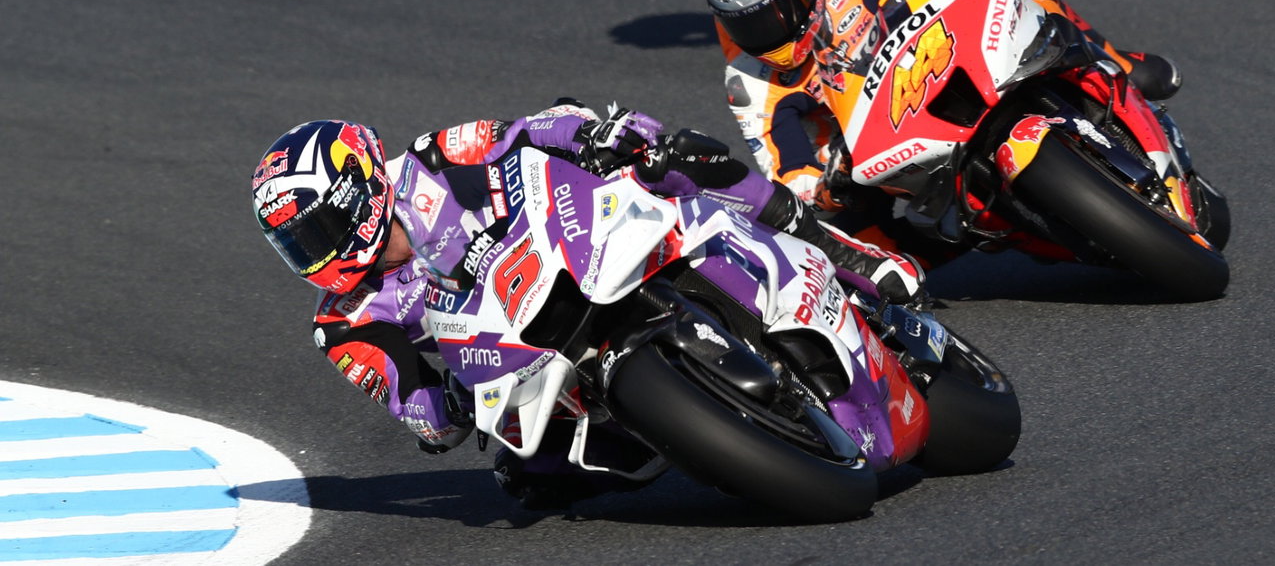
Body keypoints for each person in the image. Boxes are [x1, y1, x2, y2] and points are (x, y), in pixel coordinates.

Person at [250, 102, 921, 509]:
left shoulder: (430, 159)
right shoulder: (342, 323)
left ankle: (836, 251)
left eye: (316, 228)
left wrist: (594, 133)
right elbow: (416, 404)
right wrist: (444, 407)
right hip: (515, 353)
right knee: (526, 477)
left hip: (572, 249)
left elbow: (521, 133)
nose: (317, 253)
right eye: (296, 245)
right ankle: (710, 446)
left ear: (357, 188)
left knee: (671, 164)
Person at [703, 0, 1191, 261]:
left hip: (945, 46)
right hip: (882, 140)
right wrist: (823, 184)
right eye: (748, 24)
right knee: (846, 243)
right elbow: (782, 164)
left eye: (778, 11)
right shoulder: (748, 78)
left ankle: (1112, 59)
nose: (769, 32)